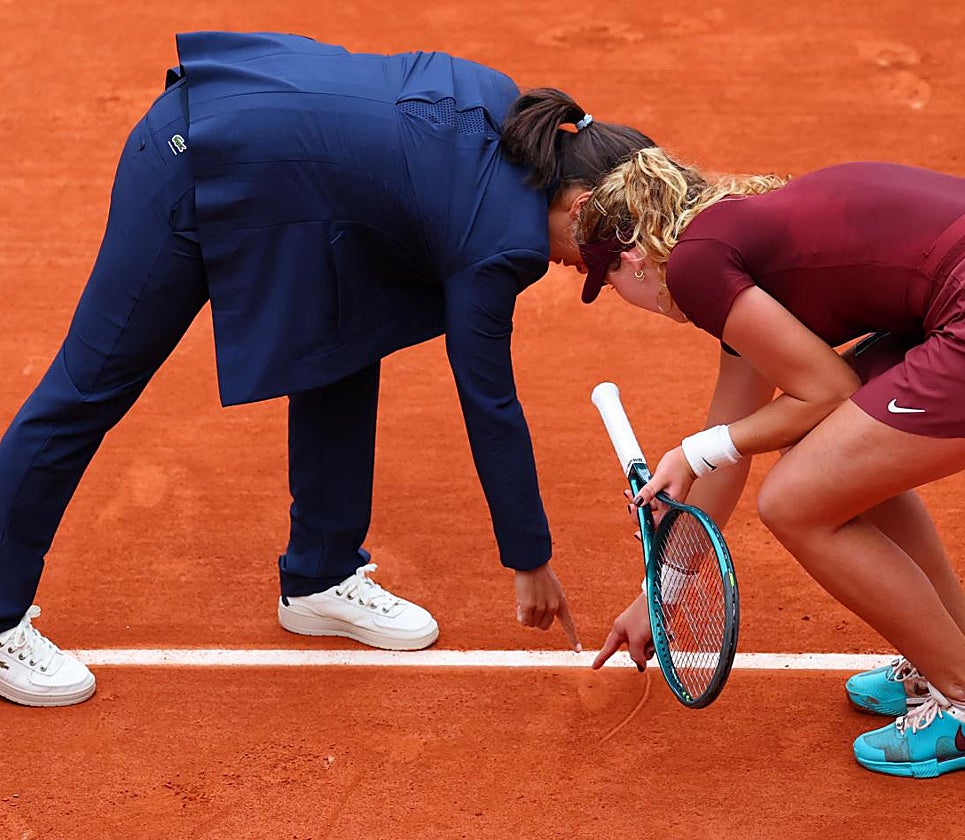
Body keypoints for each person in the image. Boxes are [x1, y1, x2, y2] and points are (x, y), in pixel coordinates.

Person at [0, 31, 656, 708]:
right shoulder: (501, 242)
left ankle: (320, 572)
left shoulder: (511, 112)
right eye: (596, 262)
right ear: (580, 209)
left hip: (292, 182)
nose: (582, 273)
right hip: (194, 158)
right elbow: (489, 400)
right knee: (87, 388)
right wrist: (531, 559)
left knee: (351, 327)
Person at [580, 148, 965, 777]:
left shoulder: (694, 267)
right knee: (831, 460)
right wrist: (660, 592)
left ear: (633, 258)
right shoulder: (734, 242)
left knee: (794, 501)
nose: (625, 297)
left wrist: (692, 451)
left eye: (608, 282)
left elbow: (811, 397)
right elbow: (728, 438)